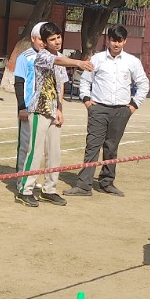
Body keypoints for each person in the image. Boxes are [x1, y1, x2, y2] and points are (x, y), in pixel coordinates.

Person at [65, 24, 149, 197]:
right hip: (98, 109)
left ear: (125, 41)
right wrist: (87, 101)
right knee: (92, 145)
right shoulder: (97, 59)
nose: (116, 44)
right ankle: (84, 185)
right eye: (113, 40)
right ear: (108, 40)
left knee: (111, 147)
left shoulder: (132, 62)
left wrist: (133, 105)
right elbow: (85, 81)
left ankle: (107, 182)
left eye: (119, 40)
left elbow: (143, 84)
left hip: (121, 111)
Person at [14, 22, 90, 207]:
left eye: (58, 37)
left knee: (54, 153)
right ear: (45, 42)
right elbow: (57, 61)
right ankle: (25, 190)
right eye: (52, 39)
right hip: (39, 110)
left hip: (53, 111)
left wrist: (60, 109)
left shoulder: (60, 57)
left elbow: (61, 84)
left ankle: (49, 190)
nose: (57, 41)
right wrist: (78, 62)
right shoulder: (42, 56)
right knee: (35, 151)